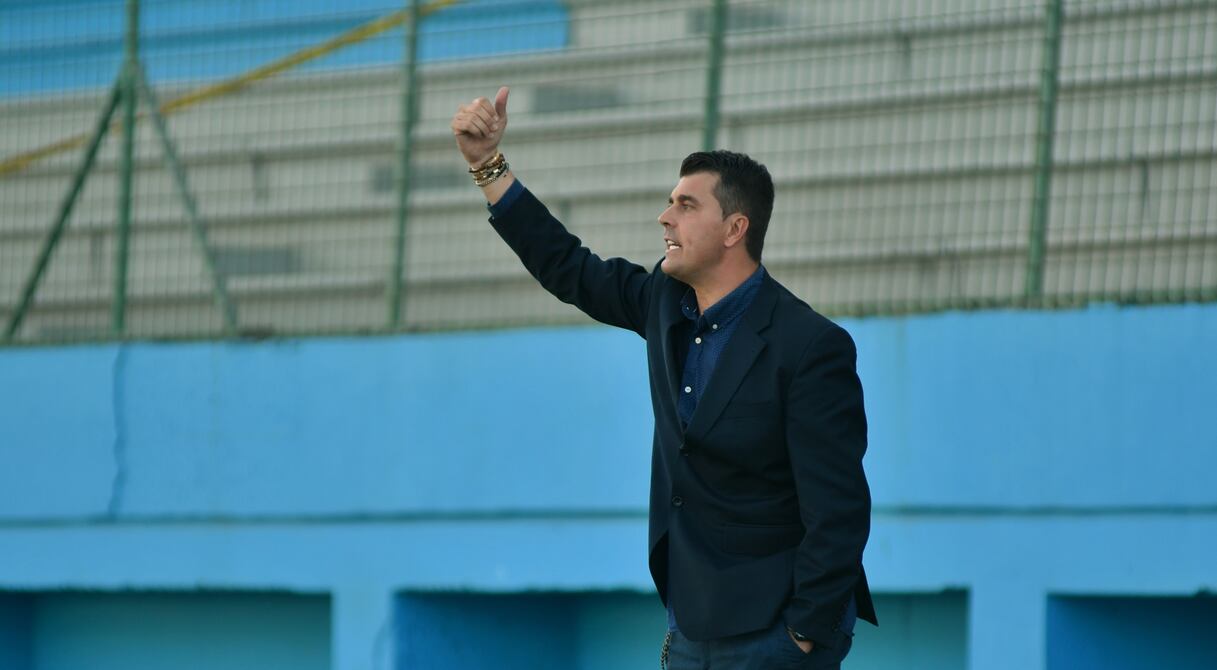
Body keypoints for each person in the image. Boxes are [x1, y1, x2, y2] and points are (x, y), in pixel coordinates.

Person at [452, 87, 877, 669]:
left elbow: (839, 508)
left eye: (686, 205)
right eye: (670, 201)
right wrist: (487, 165)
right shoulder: (663, 301)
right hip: (690, 624)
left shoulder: (809, 345)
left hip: (774, 633)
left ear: (734, 229)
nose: (665, 216)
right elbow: (568, 266)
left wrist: (803, 631)